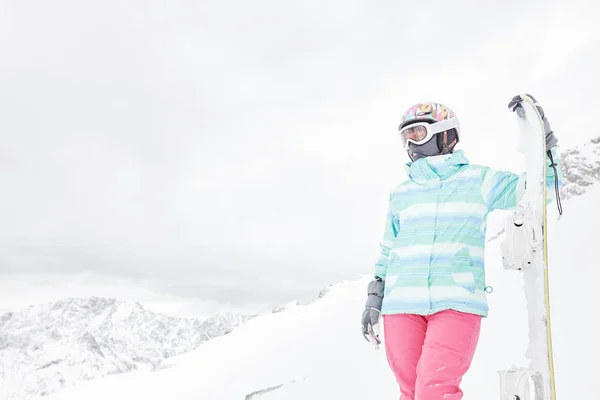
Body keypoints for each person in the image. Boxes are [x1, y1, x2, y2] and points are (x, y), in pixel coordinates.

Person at [360, 95, 563, 400]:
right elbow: (389, 249)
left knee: (434, 389)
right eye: (406, 135)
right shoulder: (401, 194)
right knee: (410, 391)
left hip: (456, 301)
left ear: (446, 134)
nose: (412, 142)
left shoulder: (478, 180)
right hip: (401, 304)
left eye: (419, 132)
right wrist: (375, 298)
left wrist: (544, 147)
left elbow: (540, 188)